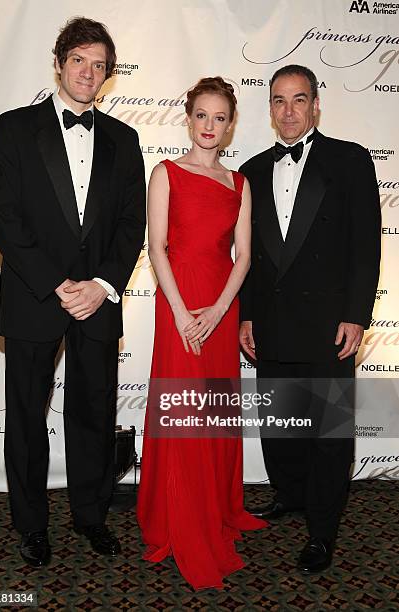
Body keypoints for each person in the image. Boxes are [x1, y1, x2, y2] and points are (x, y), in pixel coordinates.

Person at [0, 17, 146, 567]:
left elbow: (132, 225)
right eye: (80, 59)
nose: (89, 72)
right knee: (27, 415)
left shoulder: (126, 141)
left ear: (108, 75)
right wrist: (59, 285)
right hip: (35, 297)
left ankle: (90, 515)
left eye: (100, 64)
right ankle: (31, 525)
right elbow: (3, 219)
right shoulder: (13, 127)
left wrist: (101, 286)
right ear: (58, 64)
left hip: (98, 302)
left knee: (94, 413)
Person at [239, 64, 381, 574]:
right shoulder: (252, 171)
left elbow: (366, 248)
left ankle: (323, 530)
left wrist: (356, 316)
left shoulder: (350, 160)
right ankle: (290, 496)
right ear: (270, 108)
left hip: (328, 325)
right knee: (279, 424)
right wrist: (247, 316)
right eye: (279, 101)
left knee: (328, 433)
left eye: (299, 100)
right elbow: (250, 256)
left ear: (316, 106)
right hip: (272, 323)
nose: (289, 111)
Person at [136, 77, 267, 590]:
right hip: (178, 307)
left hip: (220, 306)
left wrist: (218, 311)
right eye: (201, 116)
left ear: (229, 124)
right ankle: (177, 519)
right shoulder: (165, 173)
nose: (209, 126)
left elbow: (245, 256)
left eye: (220, 118)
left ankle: (215, 509)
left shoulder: (240, 184)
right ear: (187, 117)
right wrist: (184, 313)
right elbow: (156, 247)